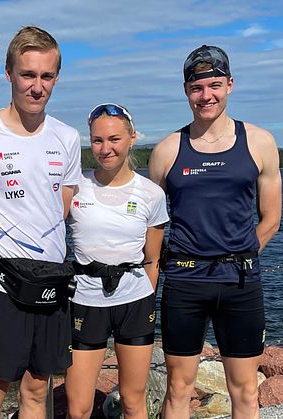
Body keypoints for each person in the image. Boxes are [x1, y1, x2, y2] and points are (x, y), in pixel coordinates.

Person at [148, 45, 282, 418]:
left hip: (240, 282)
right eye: (197, 87)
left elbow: (271, 218)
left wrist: (239, 253)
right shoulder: (166, 151)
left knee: (245, 391)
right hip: (184, 282)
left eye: (215, 85)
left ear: (230, 85)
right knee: (177, 389)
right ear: (186, 90)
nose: (206, 96)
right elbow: (152, 224)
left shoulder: (259, 142)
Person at [0, 26, 82, 419]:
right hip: (1, 279)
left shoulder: (67, 137)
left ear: (56, 78)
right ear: (9, 74)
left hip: (51, 277)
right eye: (28, 75)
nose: (37, 86)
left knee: (37, 388)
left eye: (46, 76)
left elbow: (63, 205)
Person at [65, 103, 168, 419]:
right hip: (85, 300)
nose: (105, 148)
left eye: (114, 139)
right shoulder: (75, 187)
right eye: (97, 140)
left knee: (134, 401)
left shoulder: (151, 194)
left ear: (132, 138)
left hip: (134, 302)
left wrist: (145, 297)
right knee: (79, 407)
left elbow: (153, 259)